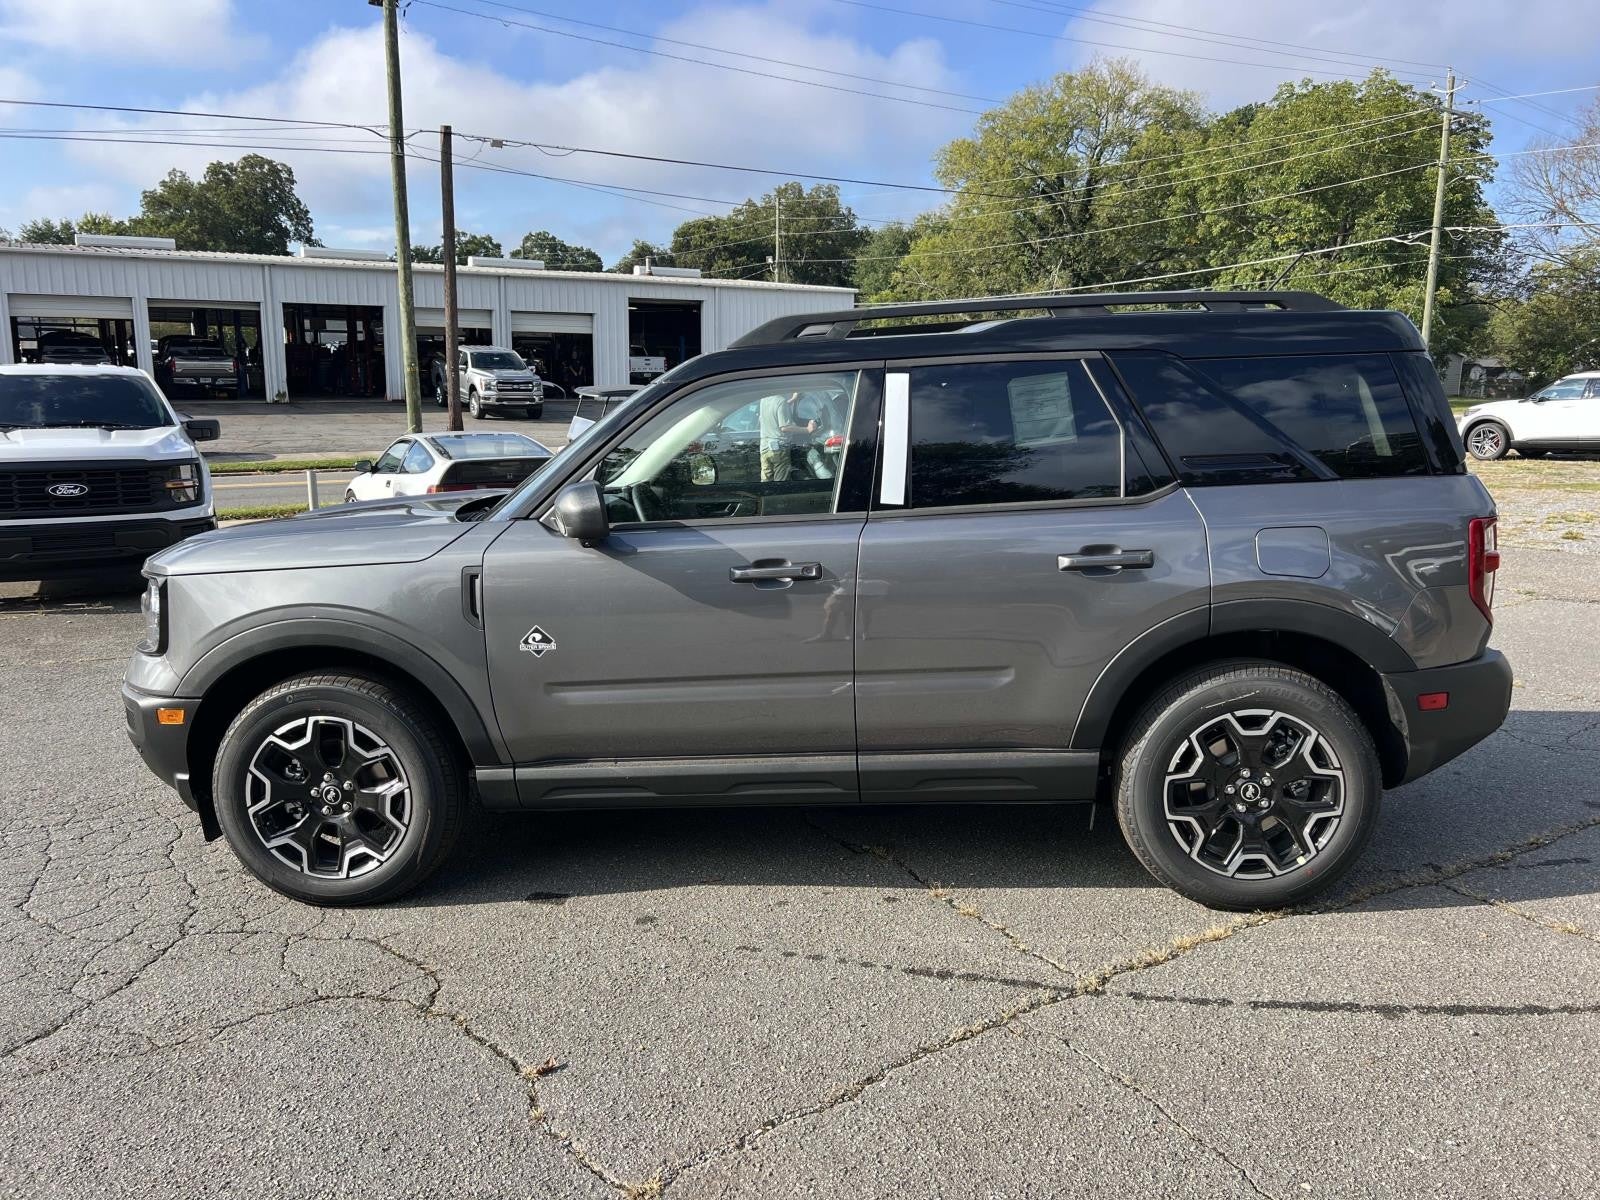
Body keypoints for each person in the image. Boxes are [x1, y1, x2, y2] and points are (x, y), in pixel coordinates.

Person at [759, 389, 816, 481]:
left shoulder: (764, 400)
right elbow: (785, 427)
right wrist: (807, 429)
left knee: (766, 481)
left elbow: (776, 409)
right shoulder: (781, 401)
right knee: (781, 483)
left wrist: (793, 400)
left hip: (764, 449)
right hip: (779, 450)